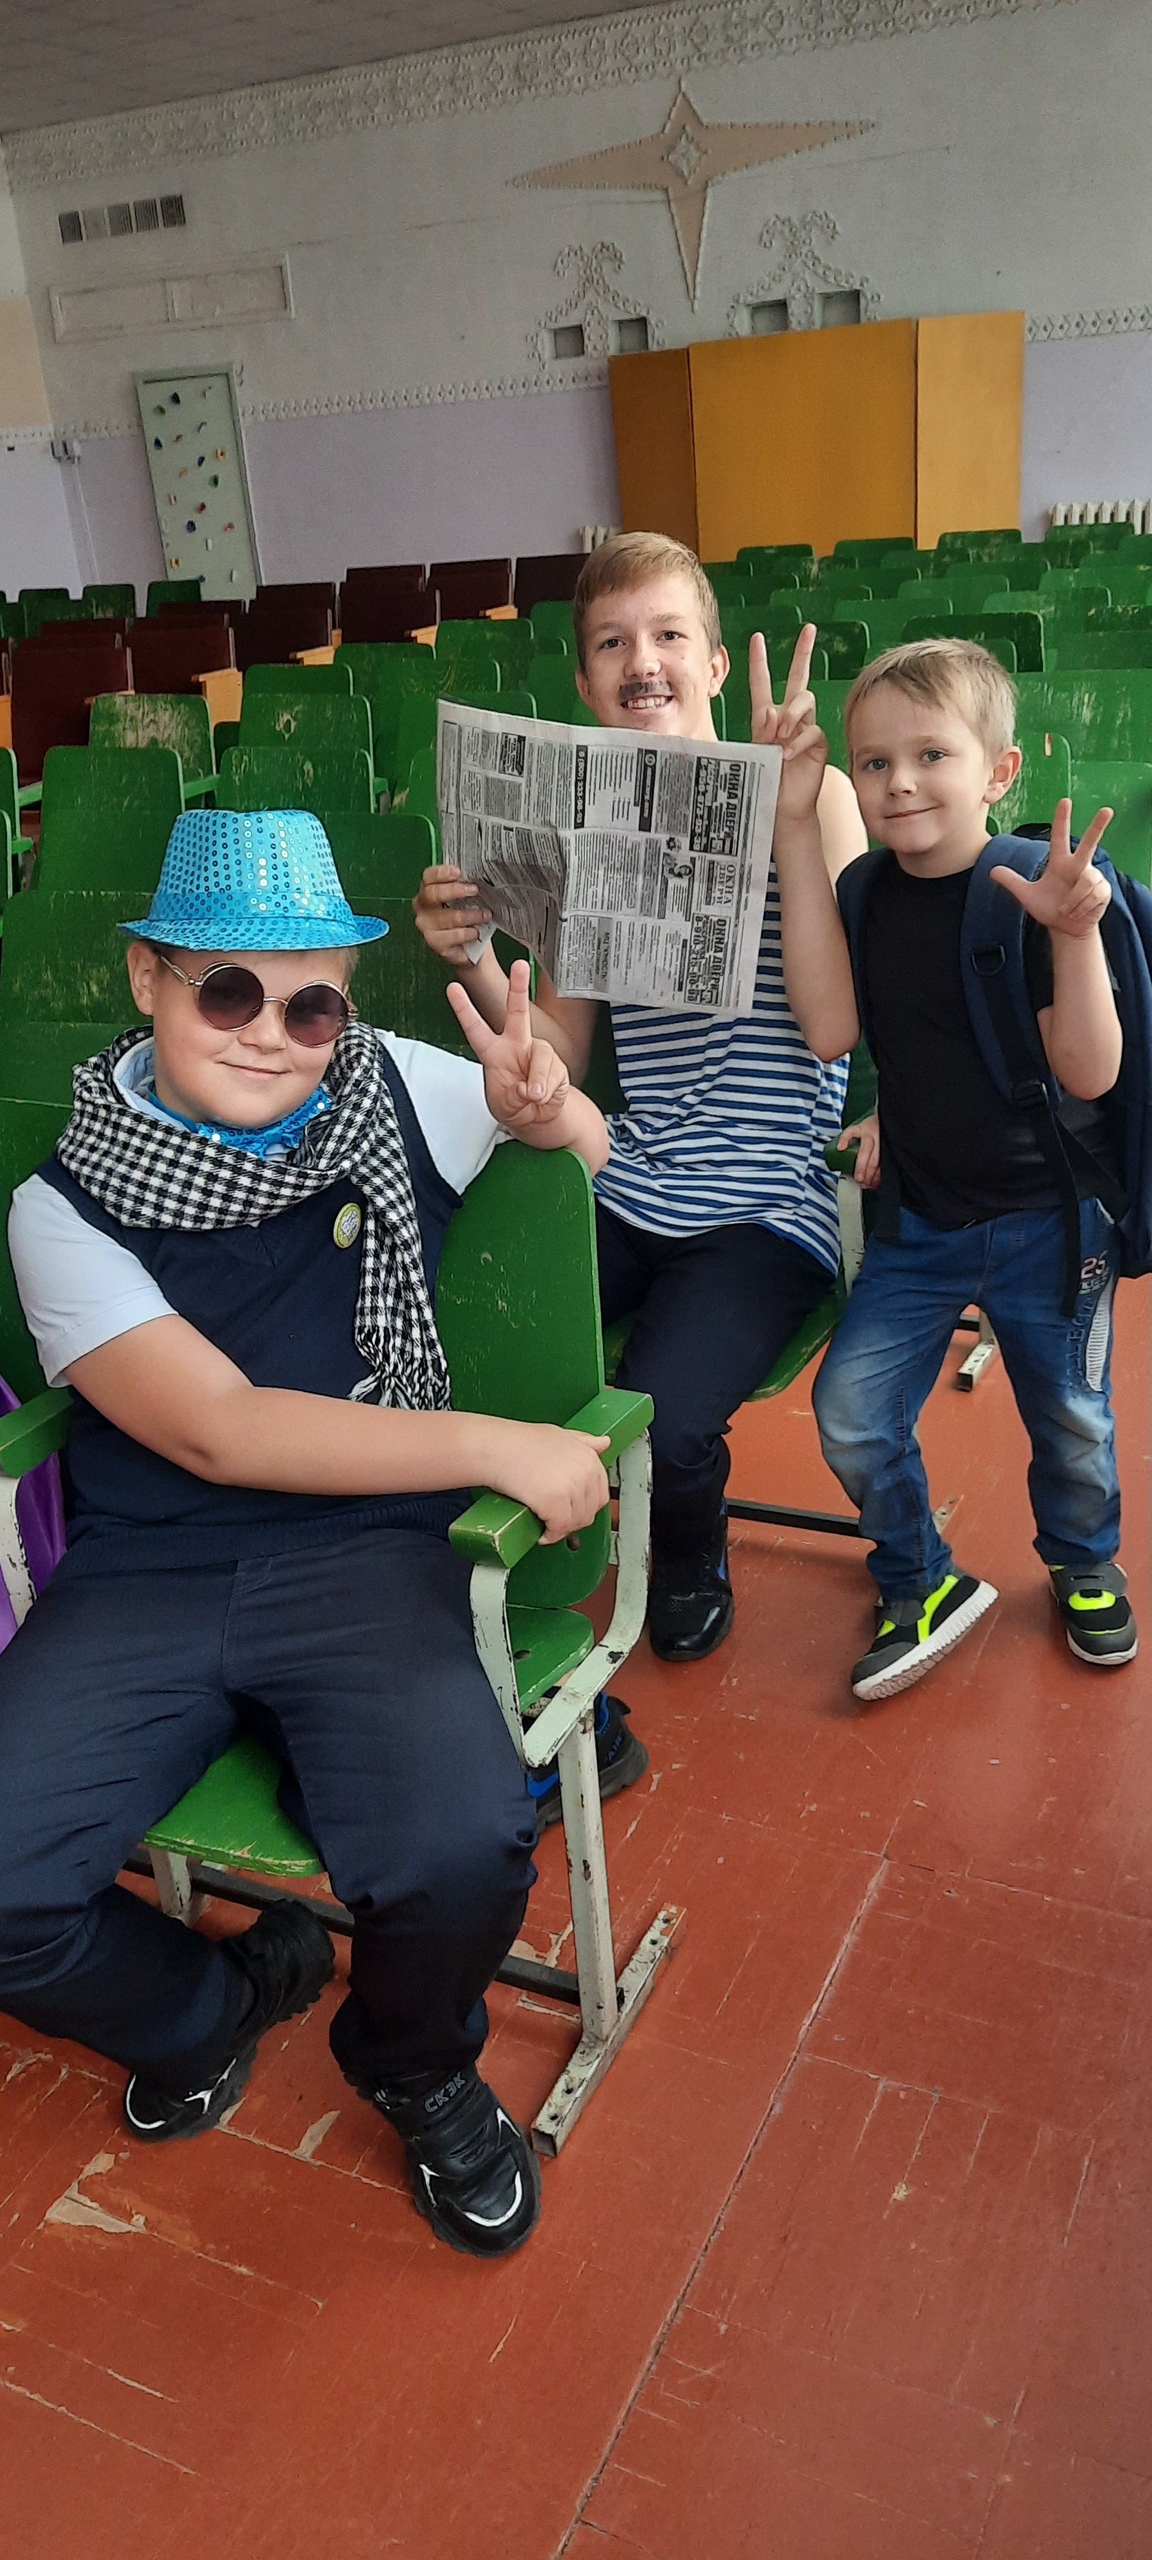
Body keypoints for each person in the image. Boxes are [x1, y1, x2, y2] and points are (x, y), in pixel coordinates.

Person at [0, 808, 628, 2261]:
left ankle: (415, 2063)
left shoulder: (387, 1086)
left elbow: (591, 1160)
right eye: (227, 990)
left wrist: (547, 1111)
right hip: (153, 1566)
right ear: (148, 976)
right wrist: (489, 1442)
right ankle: (208, 2005)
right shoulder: (65, 1200)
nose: (271, 1034)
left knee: (462, 1845)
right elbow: (220, 1428)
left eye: (311, 1002)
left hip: (363, 1554)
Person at [415, 533, 866, 1662]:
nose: (643, 661)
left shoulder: (817, 799)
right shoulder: (590, 833)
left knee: (667, 1411)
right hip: (629, 1171)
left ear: (713, 664)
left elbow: (835, 1027)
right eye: (613, 644)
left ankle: (688, 1549)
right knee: (486, 1320)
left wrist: (791, 820)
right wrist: (473, 957)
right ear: (585, 682)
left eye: (669, 636)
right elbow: (559, 1048)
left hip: (765, 1200)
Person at [771, 636, 1136, 1703]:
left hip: (1050, 1224)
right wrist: (793, 820)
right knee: (850, 1410)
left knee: (1071, 1418)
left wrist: (1075, 934)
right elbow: (834, 1030)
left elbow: (1089, 1071)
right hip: (922, 1224)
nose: (900, 782)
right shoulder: (863, 891)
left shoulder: (1029, 889)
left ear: (999, 771)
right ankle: (920, 1575)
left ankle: (1084, 1560)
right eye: (874, 762)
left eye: (931, 754)